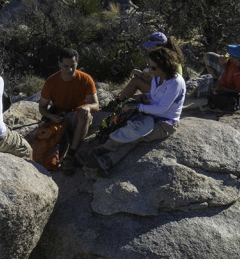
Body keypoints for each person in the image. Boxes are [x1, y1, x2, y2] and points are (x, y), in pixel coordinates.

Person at [79, 46, 186, 177]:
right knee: (133, 135)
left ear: (165, 66)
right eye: (149, 66)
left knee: (134, 132)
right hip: (150, 116)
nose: (150, 71)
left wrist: (138, 107)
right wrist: (142, 97)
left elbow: (162, 108)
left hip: (165, 123)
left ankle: (100, 150)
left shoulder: (175, 83)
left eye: (154, 68)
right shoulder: (158, 78)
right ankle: (107, 161)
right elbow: (155, 96)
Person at [38, 47, 99, 174]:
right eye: (66, 66)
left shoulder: (86, 79)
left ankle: (71, 155)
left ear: (77, 63)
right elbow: (42, 107)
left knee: (85, 116)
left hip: (77, 116)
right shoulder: (51, 82)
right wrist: (50, 116)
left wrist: (87, 107)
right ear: (59, 63)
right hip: (59, 118)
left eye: (73, 66)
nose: (69, 70)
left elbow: (95, 105)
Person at [113, 31, 183, 105]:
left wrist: (140, 74)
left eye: (151, 47)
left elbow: (157, 80)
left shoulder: (165, 62)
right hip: (165, 92)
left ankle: (116, 104)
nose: (148, 49)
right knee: (131, 96)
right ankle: (119, 102)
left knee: (136, 81)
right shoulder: (169, 58)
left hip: (167, 94)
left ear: (159, 47)